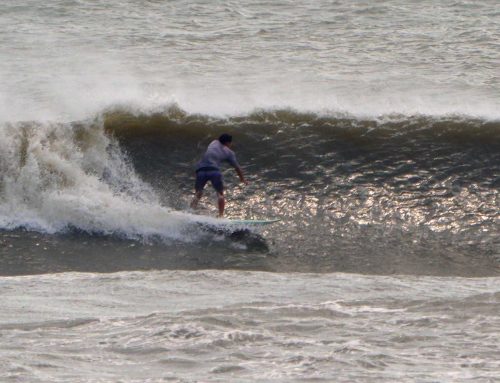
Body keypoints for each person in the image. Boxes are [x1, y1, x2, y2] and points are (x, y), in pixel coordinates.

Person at [190, 133, 248, 217]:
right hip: (214, 171)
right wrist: (242, 179)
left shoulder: (213, 142)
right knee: (220, 194)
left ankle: (191, 211)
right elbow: (237, 168)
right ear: (228, 143)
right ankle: (220, 216)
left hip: (200, 170)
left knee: (198, 193)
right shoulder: (229, 152)